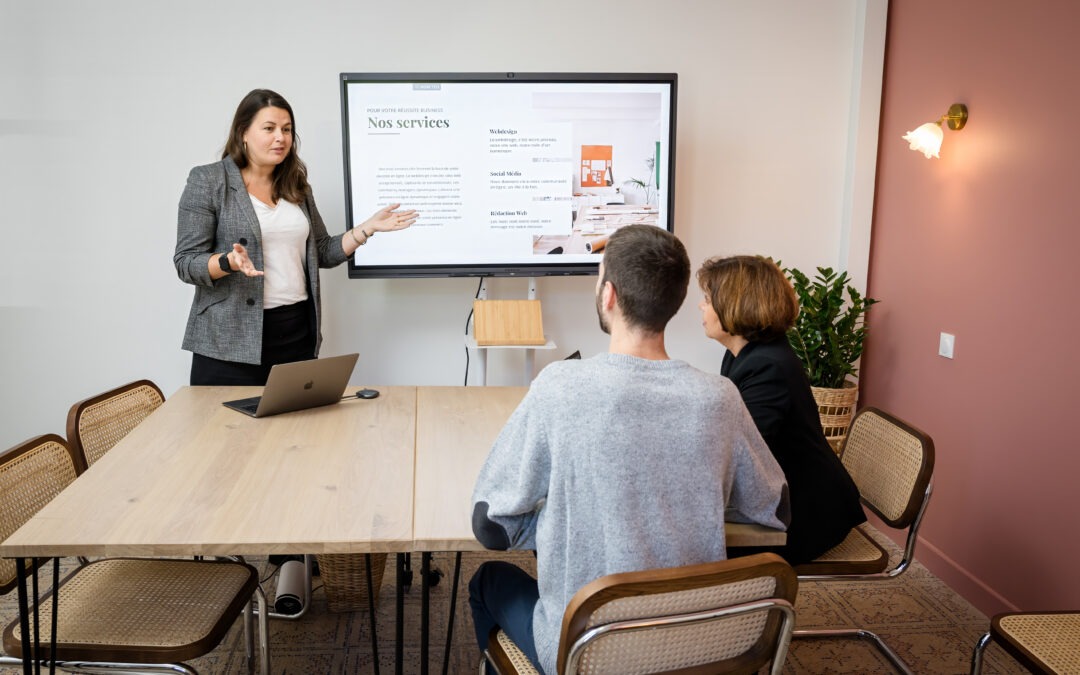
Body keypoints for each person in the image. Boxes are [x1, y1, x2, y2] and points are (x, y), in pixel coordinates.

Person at [468, 225, 790, 675]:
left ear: (609, 295)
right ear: (675, 302)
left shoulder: (560, 386)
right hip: (697, 643)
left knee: (487, 581)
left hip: (589, 649)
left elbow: (490, 524)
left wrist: (567, 519)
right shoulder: (720, 397)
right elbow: (773, 505)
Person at [174, 88, 418, 386]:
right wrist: (228, 261)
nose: (281, 137)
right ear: (243, 133)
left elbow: (323, 251)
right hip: (230, 343)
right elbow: (186, 263)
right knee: (228, 431)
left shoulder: (295, 185)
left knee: (296, 431)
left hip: (295, 334)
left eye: (287, 130)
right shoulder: (209, 180)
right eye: (269, 128)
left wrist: (366, 228)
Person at [696, 255, 866, 565]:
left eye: (707, 299)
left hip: (806, 514)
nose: (701, 306)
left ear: (735, 304)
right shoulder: (744, 354)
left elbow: (742, 454)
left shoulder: (766, 365)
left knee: (689, 545)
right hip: (790, 494)